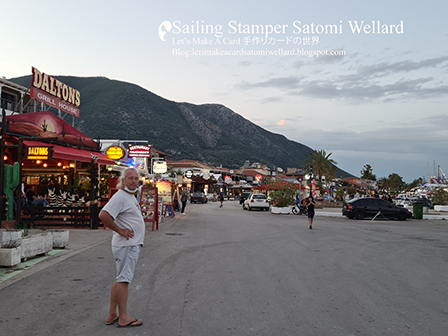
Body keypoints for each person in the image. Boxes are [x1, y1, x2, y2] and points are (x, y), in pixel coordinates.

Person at [99, 168, 144, 328]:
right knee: (124, 280)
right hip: (127, 245)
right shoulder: (120, 197)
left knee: (120, 278)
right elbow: (103, 215)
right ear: (123, 181)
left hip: (128, 245)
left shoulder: (128, 196)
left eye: (135, 178)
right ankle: (124, 317)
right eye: (130, 178)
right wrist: (120, 230)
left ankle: (112, 314)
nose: (133, 181)